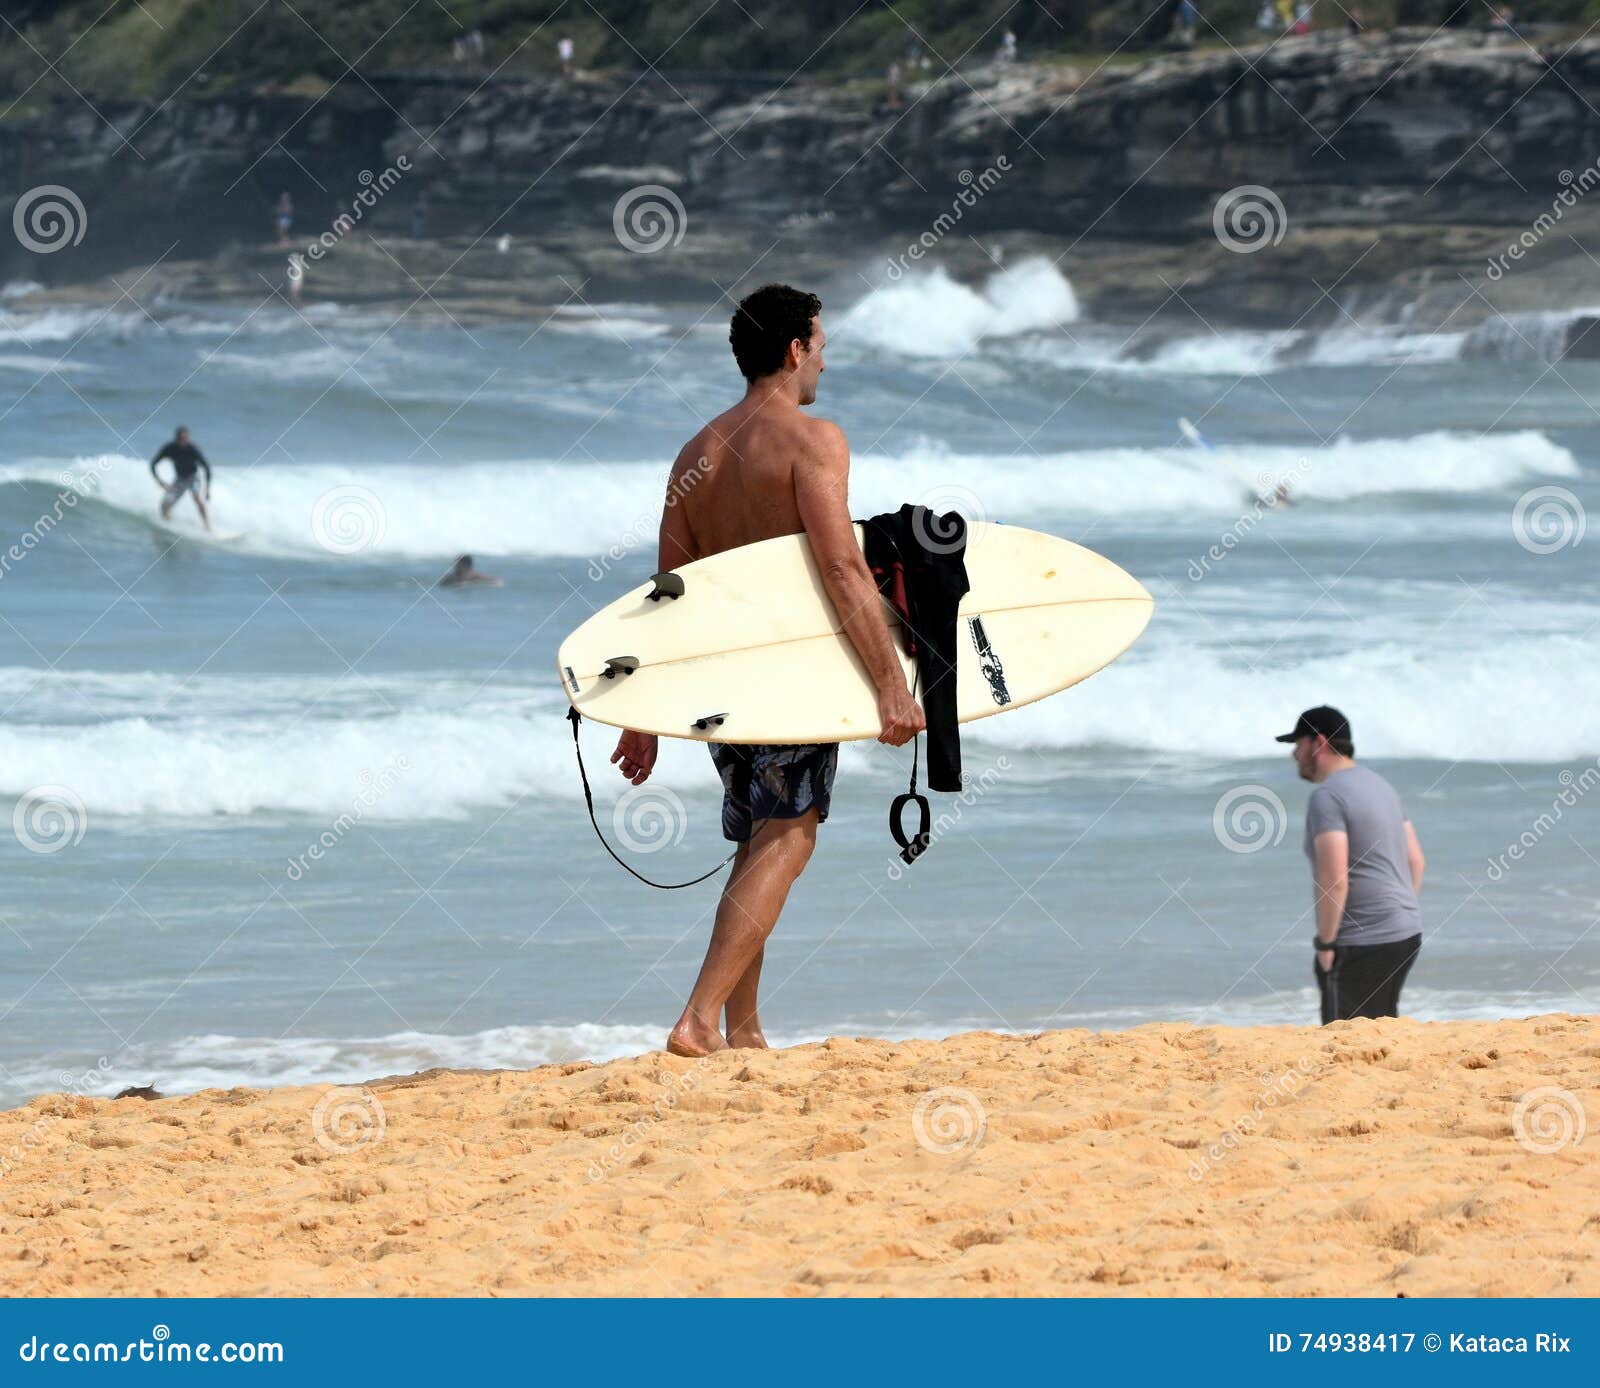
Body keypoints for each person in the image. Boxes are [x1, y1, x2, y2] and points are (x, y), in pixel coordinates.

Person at [610, 284, 923, 1057]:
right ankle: (696, 1018)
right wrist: (891, 684)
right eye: (820, 342)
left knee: (758, 841)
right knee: (791, 836)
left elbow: (667, 598)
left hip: (724, 684)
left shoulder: (696, 455)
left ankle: (741, 1031)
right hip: (792, 674)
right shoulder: (815, 442)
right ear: (793, 350)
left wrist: (641, 713)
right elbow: (844, 569)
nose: (824, 356)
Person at [1277, 706, 1424, 1025]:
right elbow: (1417, 861)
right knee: (1381, 1031)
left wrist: (1326, 943)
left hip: (1361, 942)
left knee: (1342, 1041)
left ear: (1318, 743)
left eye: (1298, 744)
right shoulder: (1382, 786)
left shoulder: (1327, 797)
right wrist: (1396, 914)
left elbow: (1333, 879)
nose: (1294, 753)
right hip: (1405, 934)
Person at [150, 426, 213, 531]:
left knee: (196, 497)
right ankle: (168, 524)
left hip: (193, 478)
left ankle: (207, 526)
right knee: (164, 505)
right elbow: (153, 464)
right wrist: (160, 482)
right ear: (176, 438)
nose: (183, 441)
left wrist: (207, 490)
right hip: (180, 479)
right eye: (181, 438)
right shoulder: (170, 449)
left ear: (188, 438)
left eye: (185, 438)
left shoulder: (193, 449)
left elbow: (207, 468)